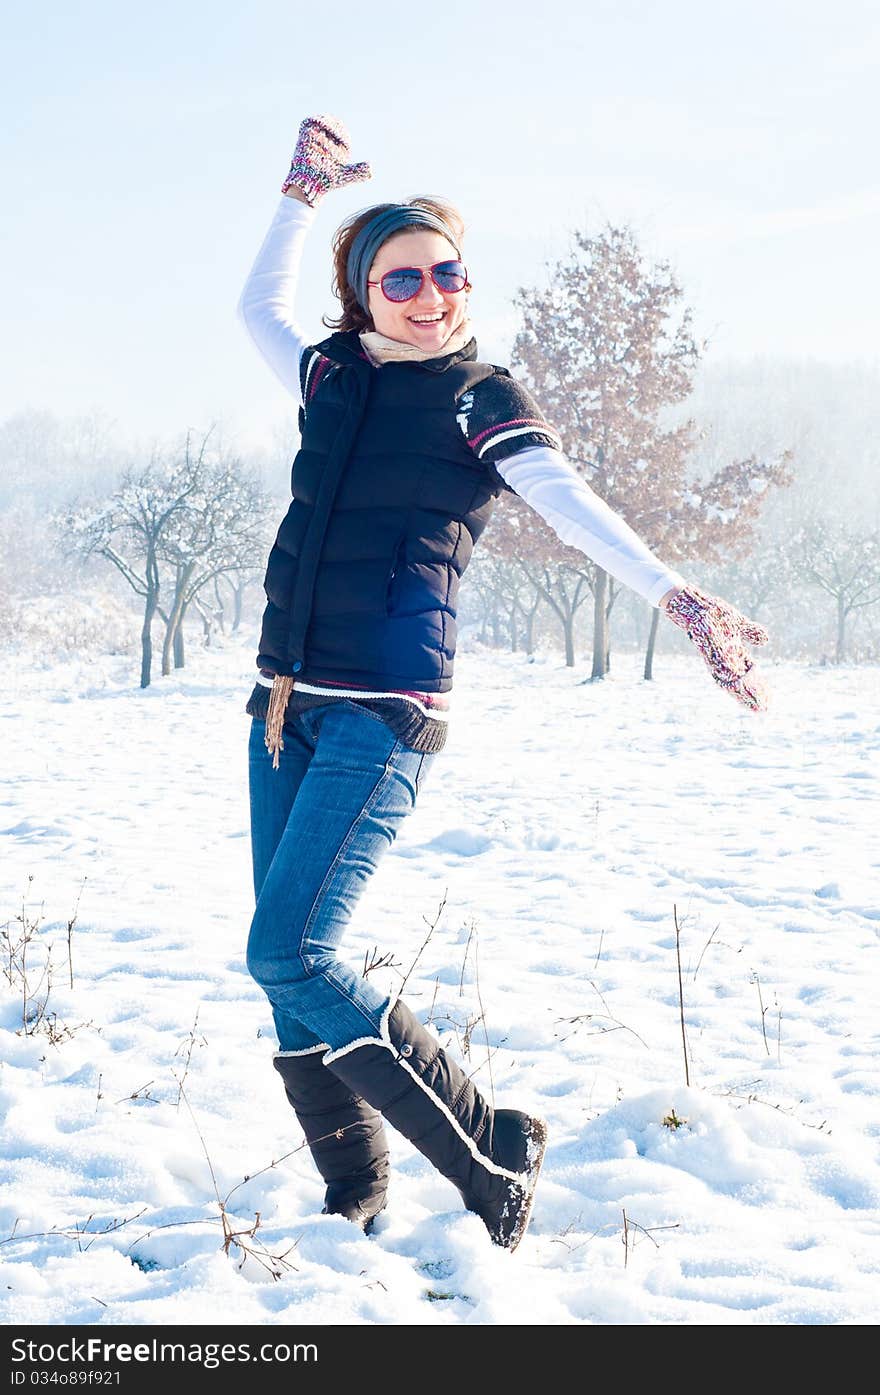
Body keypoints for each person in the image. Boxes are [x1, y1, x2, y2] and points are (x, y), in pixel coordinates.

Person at [236, 115, 771, 1252]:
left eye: (448, 272)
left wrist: (675, 597)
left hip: (385, 711)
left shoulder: (479, 395)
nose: (431, 294)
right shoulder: (327, 373)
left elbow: (572, 508)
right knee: (284, 977)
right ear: (364, 292)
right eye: (403, 278)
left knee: (291, 952)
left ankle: (491, 1149)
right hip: (282, 706)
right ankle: (354, 1201)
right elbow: (256, 313)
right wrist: (297, 196)